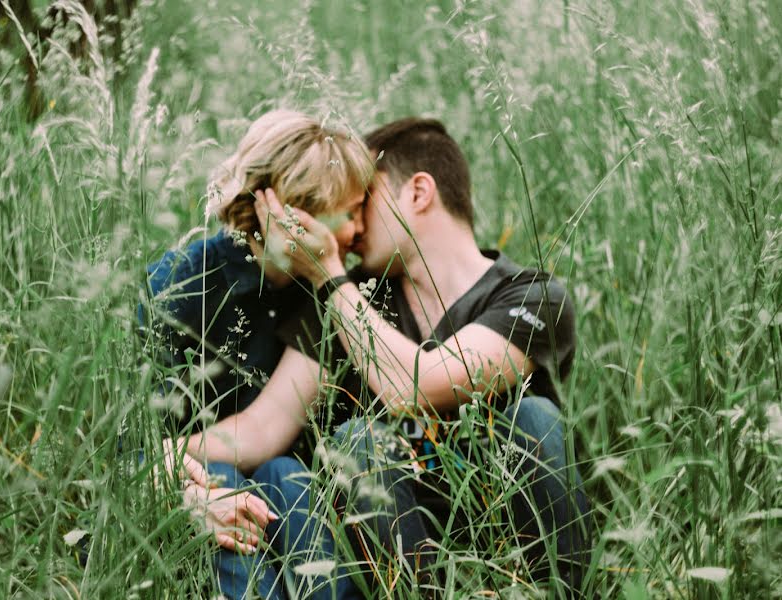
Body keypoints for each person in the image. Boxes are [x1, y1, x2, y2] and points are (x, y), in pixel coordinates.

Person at [187, 117, 591, 595]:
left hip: (509, 544)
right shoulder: (349, 298)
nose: (349, 227)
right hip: (399, 557)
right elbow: (261, 428)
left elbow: (414, 388)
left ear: (418, 193)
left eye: (365, 202)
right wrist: (165, 458)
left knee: (534, 415)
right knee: (358, 442)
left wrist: (329, 276)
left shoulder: (531, 295)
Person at [140, 109, 371, 600]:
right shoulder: (181, 283)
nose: (361, 229)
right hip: (186, 486)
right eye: (350, 213)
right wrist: (179, 481)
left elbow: (267, 431)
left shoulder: (323, 294)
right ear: (297, 213)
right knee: (226, 484)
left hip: (280, 484)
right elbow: (122, 441)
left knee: (287, 475)